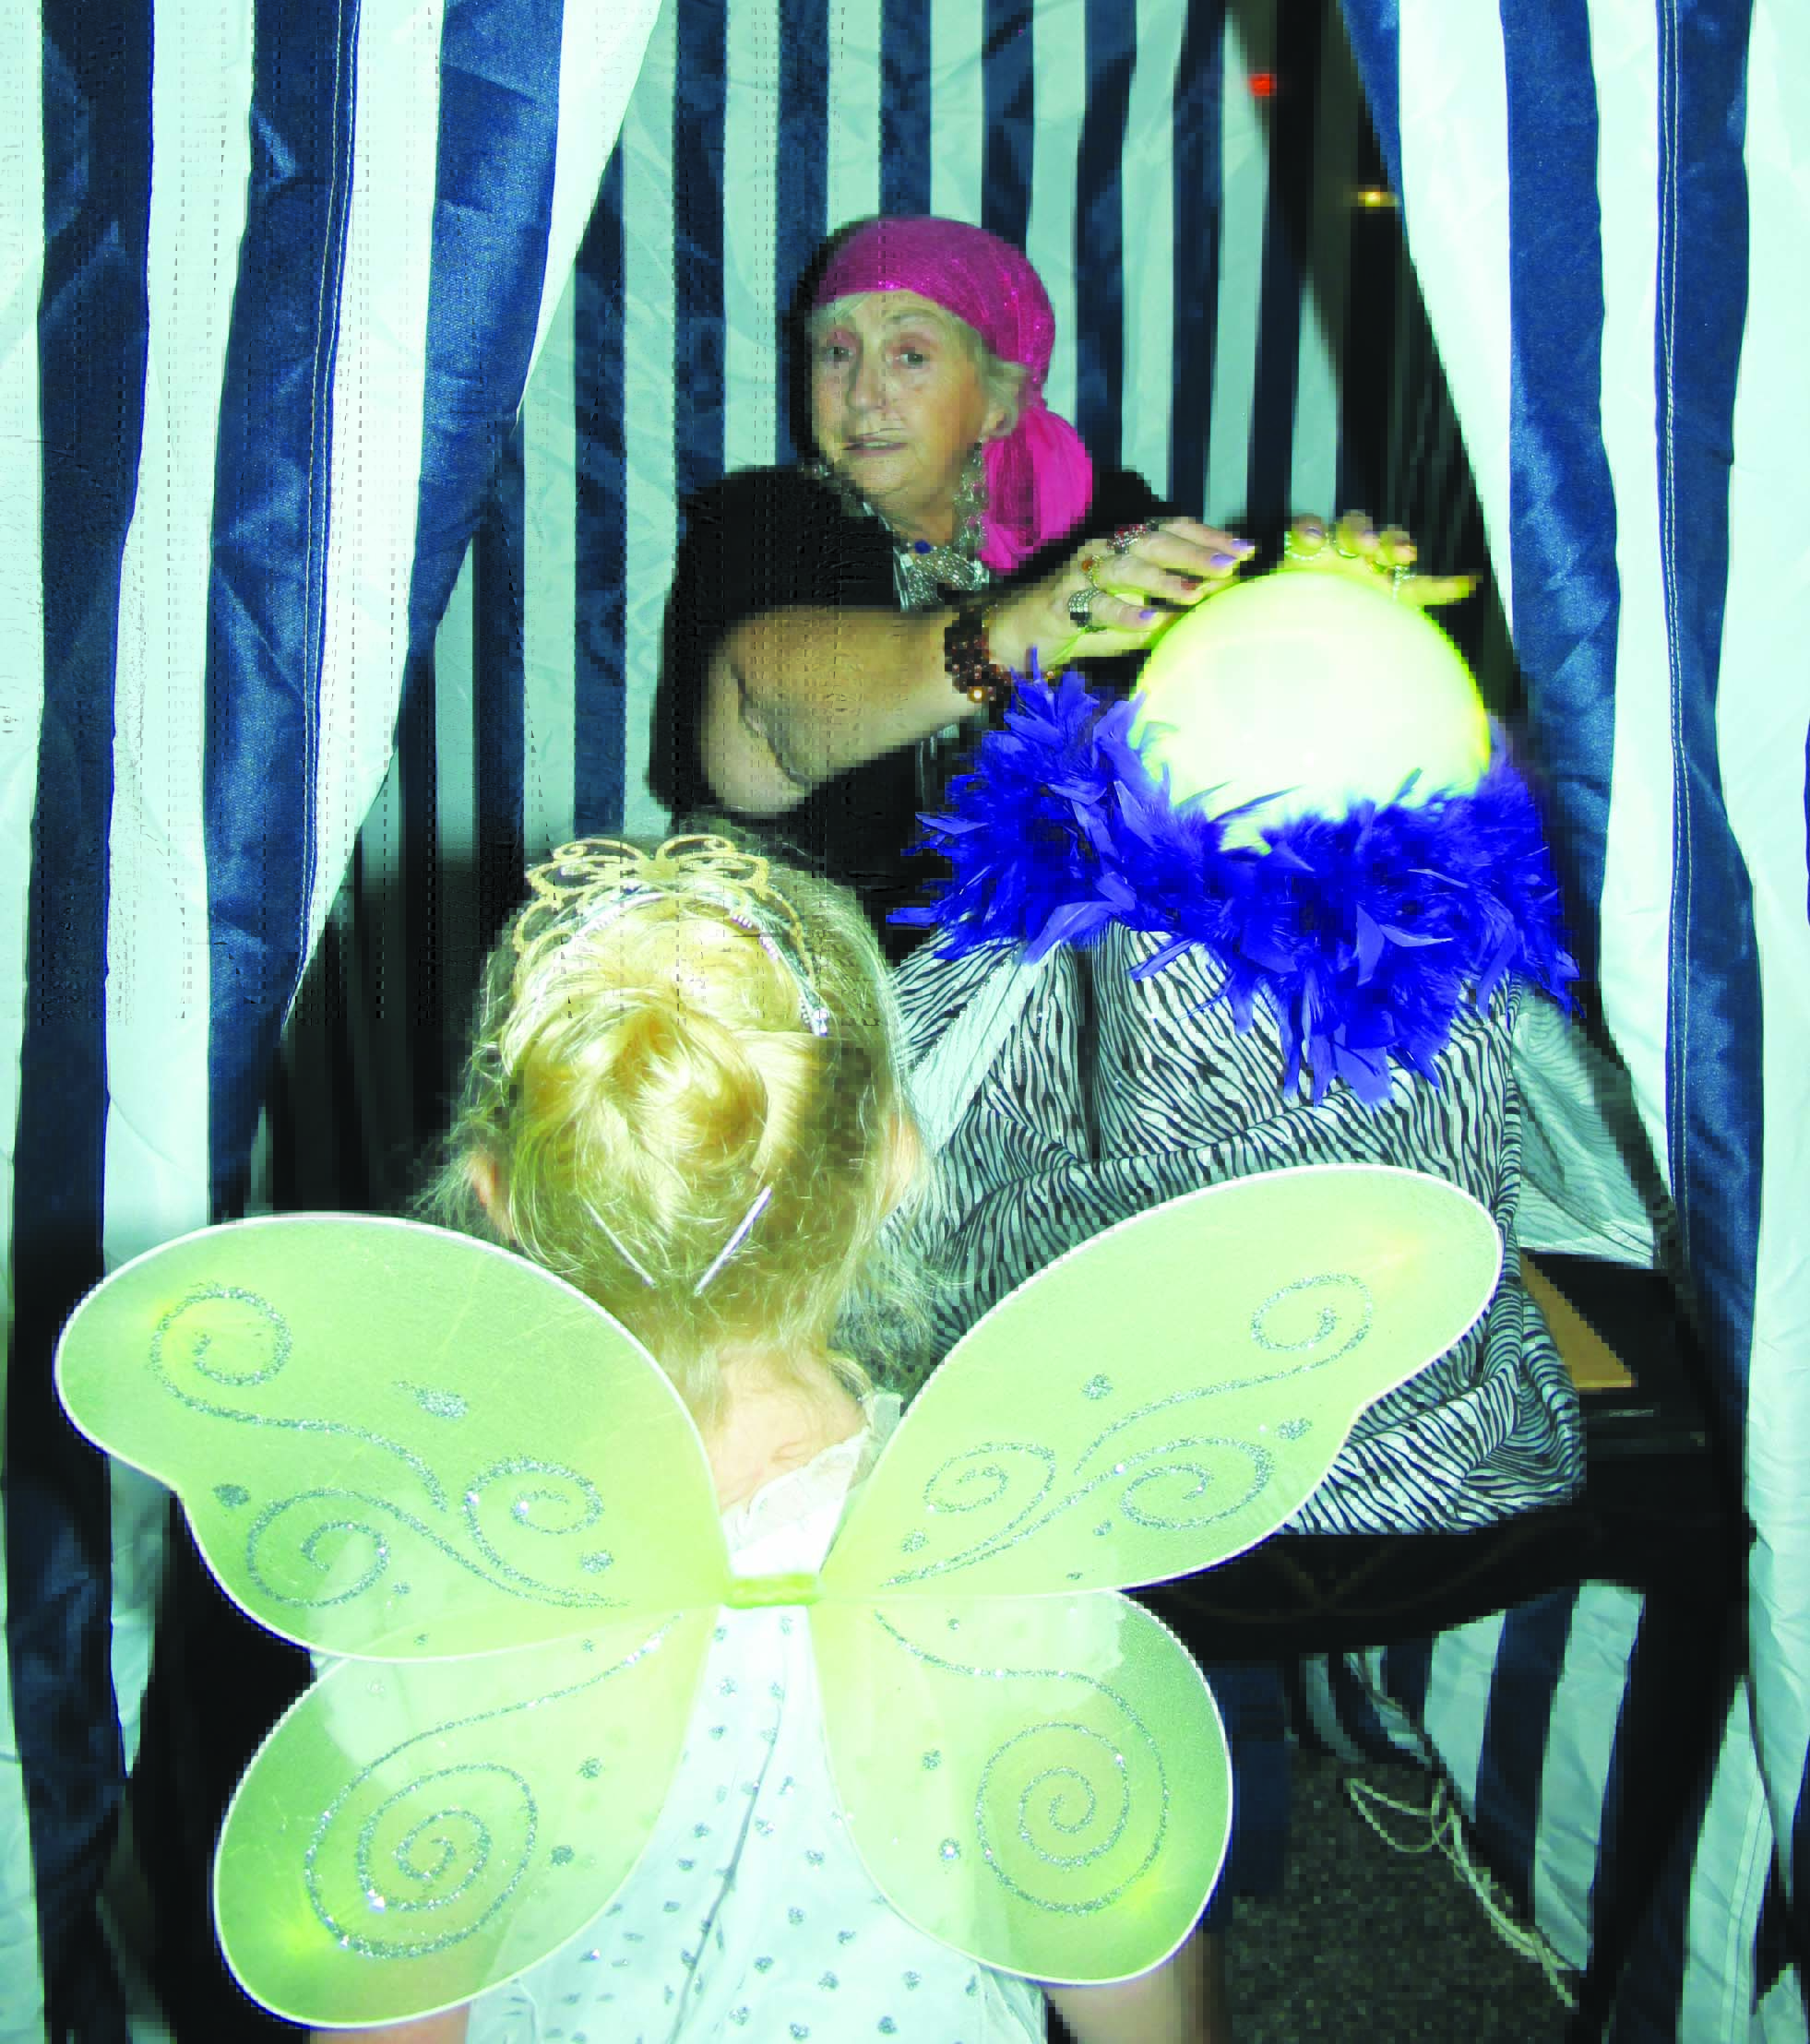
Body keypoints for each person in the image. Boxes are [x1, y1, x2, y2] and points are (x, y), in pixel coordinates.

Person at [317, 831, 1223, 2043]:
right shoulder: (1001, 1550)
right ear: (894, 1162)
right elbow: (1107, 1934)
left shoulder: (438, 1577)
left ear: (497, 1201)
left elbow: (396, 1998)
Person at [652, 213, 1260, 957]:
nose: (863, 394)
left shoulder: (1098, 521)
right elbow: (762, 727)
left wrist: (1323, 591)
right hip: (818, 980)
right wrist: (1015, 633)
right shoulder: (763, 523)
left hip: (1066, 988)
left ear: (997, 401)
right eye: (836, 353)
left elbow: (1233, 680)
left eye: (909, 355)